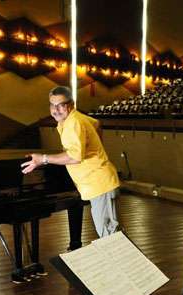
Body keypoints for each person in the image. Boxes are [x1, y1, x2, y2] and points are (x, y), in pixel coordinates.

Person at [21, 86, 120, 239]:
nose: (55, 109)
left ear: (71, 104)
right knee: (109, 232)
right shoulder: (72, 119)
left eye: (60, 105)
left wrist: (43, 159)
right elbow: (97, 124)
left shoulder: (74, 123)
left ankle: (121, 263)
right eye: (52, 105)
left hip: (99, 183)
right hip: (96, 183)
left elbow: (75, 157)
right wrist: (95, 149)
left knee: (109, 234)